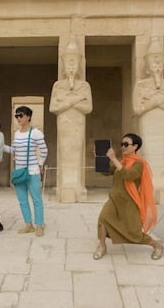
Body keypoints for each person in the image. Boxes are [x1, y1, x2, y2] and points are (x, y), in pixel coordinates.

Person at [93, 133, 163, 261]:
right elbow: (107, 172)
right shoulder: (123, 161)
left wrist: (114, 159)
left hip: (129, 202)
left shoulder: (139, 164)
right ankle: (102, 246)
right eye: (122, 144)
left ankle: (157, 245)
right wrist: (100, 159)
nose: (123, 147)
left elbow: (129, 175)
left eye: (126, 144)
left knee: (134, 233)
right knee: (103, 219)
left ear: (135, 146)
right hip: (114, 199)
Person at [132, 36, 164, 192]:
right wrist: (159, 100)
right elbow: (138, 109)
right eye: (154, 62)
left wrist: (155, 101)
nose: (157, 65)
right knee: (148, 150)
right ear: (147, 66)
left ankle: (161, 180)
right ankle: (149, 182)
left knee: (162, 152)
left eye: (159, 62)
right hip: (148, 122)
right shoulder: (141, 85)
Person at [49, 36, 93, 202]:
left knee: (78, 150)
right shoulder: (58, 85)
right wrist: (74, 100)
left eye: (74, 63)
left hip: (78, 122)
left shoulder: (84, 86)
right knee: (64, 150)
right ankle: (64, 185)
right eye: (69, 63)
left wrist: (68, 102)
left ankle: (78, 185)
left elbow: (88, 107)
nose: (71, 66)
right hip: (65, 122)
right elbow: (54, 107)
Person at [5, 106, 48, 237]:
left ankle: (39, 225)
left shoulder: (36, 133)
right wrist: (1, 146)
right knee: (22, 200)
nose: (18, 118)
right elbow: (14, 150)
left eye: (21, 115)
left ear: (28, 116)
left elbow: (44, 150)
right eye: (16, 116)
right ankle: (28, 225)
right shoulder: (17, 134)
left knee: (36, 199)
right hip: (19, 171)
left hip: (32, 171)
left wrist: (40, 164)